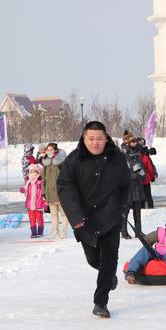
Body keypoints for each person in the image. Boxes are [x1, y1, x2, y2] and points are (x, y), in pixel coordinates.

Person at [57, 121, 130, 319]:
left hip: (110, 217)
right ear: (84, 138)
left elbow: (126, 186)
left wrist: (122, 210)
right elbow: (64, 187)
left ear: (106, 139)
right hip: (84, 220)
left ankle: (100, 302)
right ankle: (109, 277)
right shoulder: (74, 160)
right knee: (93, 260)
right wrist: (75, 217)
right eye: (91, 139)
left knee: (108, 259)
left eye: (99, 138)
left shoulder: (117, 159)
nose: (95, 143)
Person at [120, 131, 146, 239]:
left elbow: (139, 164)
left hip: (137, 183)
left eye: (135, 140)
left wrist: (141, 172)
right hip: (128, 184)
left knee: (137, 209)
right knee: (125, 210)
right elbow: (127, 167)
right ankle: (124, 231)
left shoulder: (137, 151)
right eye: (132, 141)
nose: (134, 142)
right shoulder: (124, 152)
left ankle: (138, 231)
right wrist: (136, 170)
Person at [42, 143, 69, 239]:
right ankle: (55, 231)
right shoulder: (46, 162)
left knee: (64, 213)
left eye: (51, 149)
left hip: (60, 191)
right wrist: (43, 191)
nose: (49, 151)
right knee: (53, 214)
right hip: (50, 192)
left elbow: (66, 177)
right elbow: (43, 178)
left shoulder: (61, 161)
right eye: (47, 150)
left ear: (55, 150)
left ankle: (64, 231)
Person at [20, 164, 46, 238]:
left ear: (38, 173)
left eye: (34, 171)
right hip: (30, 204)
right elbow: (26, 192)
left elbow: (43, 193)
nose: (32, 173)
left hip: (38, 204)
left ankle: (40, 232)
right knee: (32, 219)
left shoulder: (40, 182)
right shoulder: (28, 183)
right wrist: (23, 190)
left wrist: (44, 202)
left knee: (39, 219)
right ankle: (33, 232)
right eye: (31, 171)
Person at [139, 139, 157, 209]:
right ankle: (150, 208)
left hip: (137, 180)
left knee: (140, 196)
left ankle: (142, 208)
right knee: (148, 195)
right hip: (146, 180)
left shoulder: (133, 157)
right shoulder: (145, 158)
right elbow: (150, 169)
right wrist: (152, 178)